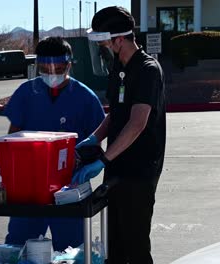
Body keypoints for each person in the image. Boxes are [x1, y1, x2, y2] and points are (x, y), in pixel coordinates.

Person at [72, 6, 166, 264]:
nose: (103, 47)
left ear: (120, 39)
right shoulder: (119, 67)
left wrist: (102, 161)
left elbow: (136, 123)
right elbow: (116, 113)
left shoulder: (147, 70)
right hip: (116, 166)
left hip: (139, 171)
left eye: (105, 41)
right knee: (114, 247)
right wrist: (94, 138)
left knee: (135, 246)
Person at [3, 36, 105, 251]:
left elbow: (97, 142)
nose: (51, 74)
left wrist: (89, 167)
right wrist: (9, 176)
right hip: (28, 188)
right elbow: (11, 139)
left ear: (69, 64)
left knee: (71, 250)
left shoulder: (85, 98)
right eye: (45, 69)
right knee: (18, 247)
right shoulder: (26, 92)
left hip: (69, 188)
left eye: (58, 69)